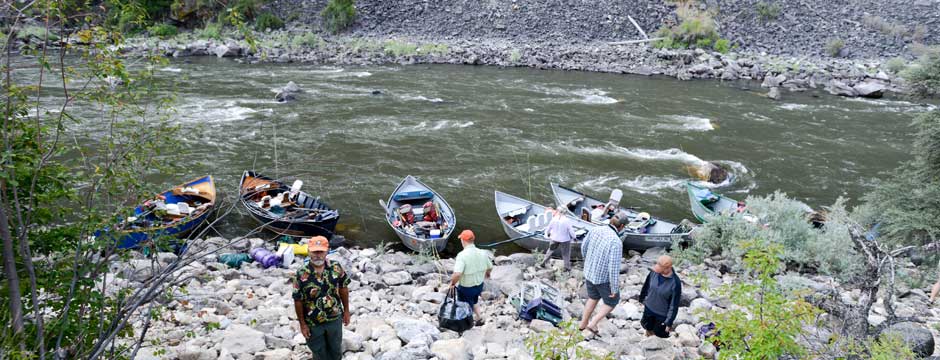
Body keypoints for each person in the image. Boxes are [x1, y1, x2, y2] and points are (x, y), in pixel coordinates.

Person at [292, 236, 350, 360]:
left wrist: (346, 311)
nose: (318, 255)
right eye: (314, 251)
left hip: (334, 318)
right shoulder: (302, 273)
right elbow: (297, 299)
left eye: (321, 251)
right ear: (308, 251)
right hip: (313, 322)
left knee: (335, 350)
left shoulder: (336, 267)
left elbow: (343, 287)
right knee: (318, 352)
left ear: (327, 251)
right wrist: (302, 324)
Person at [578, 211, 628, 335]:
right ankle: (592, 323)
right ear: (621, 227)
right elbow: (613, 267)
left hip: (589, 272)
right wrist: (614, 288)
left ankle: (582, 324)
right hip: (603, 278)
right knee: (612, 302)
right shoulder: (616, 242)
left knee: (593, 297)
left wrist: (587, 261)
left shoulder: (595, 229)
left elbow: (583, 247)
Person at [449, 229, 493, 326]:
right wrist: (487, 274)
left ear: (463, 241)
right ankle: (479, 317)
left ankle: (466, 325)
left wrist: (452, 283)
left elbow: (457, 274)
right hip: (479, 286)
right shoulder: (483, 253)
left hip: (466, 288)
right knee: (474, 300)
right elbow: (490, 267)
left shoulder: (462, 255)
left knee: (464, 306)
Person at [639, 255, 682, 338]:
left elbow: (674, 304)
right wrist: (642, 299)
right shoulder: (653, 273)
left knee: (660, 335)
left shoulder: (675, 283)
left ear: (667, 268)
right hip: (648, 309)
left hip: (662, 315)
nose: (656, 268)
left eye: (660, 267)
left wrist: (669, 322)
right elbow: (646, 286)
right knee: (647, 328)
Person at [541, 206, 575, 270]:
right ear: (566, 212)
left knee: (550, 251)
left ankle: (543, 263)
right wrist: (574, 237)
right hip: (565, 240)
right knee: (566, 254)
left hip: (554, 238)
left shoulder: (554, 219)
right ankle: (567, 267)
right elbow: (571, 232)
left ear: (558, 211)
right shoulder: (567, 220)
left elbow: (548, 228)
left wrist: (546, 235)